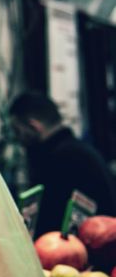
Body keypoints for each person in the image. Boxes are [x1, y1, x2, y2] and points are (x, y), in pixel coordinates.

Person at [10, 91, 116, 236]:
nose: (18, 140)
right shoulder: (79, 150)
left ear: (34, 126)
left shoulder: (60, 160)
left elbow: (49, 223)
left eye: (18, 131)